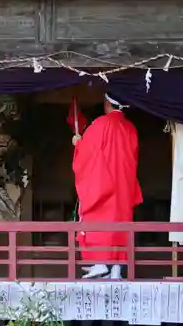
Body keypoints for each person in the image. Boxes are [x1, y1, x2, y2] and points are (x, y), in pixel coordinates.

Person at [72, 93, 142, 279]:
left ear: (107, 103)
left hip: (104, 185)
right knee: (121, 224)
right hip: (124, 186)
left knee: (100, 221)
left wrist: (78, 144)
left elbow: (88, 154)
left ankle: (101, 262)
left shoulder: (100, 124)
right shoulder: (131, 128)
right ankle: (117, 269)